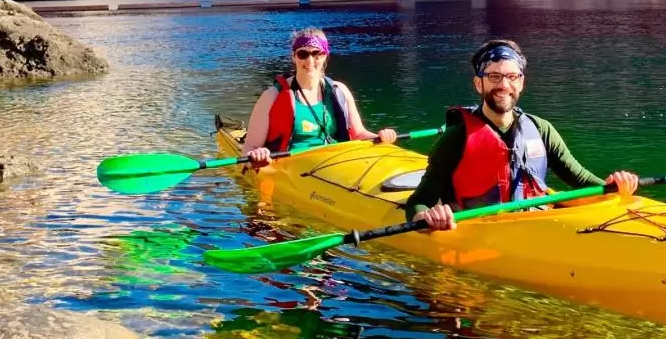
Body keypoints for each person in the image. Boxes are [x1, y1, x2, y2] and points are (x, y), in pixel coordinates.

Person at [404, 39, 639, 230]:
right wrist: (426, 218)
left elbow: (580, 179)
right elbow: (419, 201)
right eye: (494, 76)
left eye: (512, 76)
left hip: (535, 226)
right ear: (479, 84)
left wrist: (614, 184)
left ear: (521, 82)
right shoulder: (457, 137)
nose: (504, 84)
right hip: (479, 230)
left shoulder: (541, 129)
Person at [242, 28, 397, 167]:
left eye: (317, 54)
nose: (310, 61)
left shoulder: (340, 90)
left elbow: (359, 134)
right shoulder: (271, 96)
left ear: (325, 56)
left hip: (336, 162)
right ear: (294, 57)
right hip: (292, 166)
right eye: (303, 54)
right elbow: (249, 148)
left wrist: (380, 137)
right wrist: (257, 156)